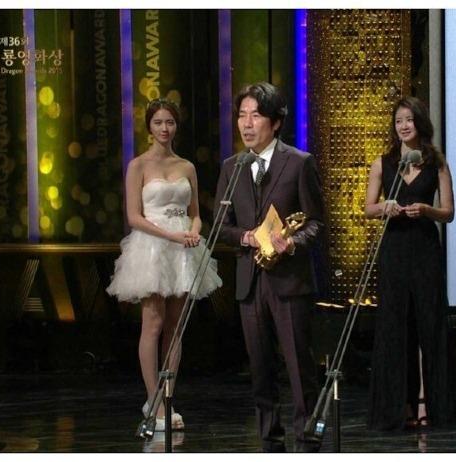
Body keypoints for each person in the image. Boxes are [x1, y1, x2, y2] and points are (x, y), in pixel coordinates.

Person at [214, 82, 324, 452]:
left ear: (275, 122)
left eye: (256, 116)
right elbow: (221, 226)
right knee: (260, 369)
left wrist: (293, 243)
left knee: (298, 366)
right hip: (250, 280)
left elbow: (316, 222)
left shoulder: (299, 162)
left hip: (289, 281)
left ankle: (307, 439)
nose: (246, 124)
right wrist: (244, 237)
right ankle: (269, 442)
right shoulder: (232, 167)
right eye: (242, 115)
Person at [107, 98, 222, 433]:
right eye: (158, 122)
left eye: (169, 122)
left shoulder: (187, 166)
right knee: (153, 324)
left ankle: (168, 399)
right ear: (149, 126)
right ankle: (153, 400)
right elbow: (134, 217)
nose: (164, 128)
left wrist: (194, 231)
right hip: (153, 248)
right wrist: (171, 235)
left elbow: (196, 213)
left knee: (175, 326)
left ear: (176, 126)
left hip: (184, 248)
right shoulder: (138, 166)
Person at [365, 96, 456, 430]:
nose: (404, 126)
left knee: (429, 325)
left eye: (409, 120)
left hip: (424, 248)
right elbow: (368, 208)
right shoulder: (383, 163)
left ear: (420, 122)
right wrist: (385, 207)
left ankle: (430, 403)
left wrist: (427, 210)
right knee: (394, 326)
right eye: (398, 121)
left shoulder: (437, 161)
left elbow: (449, 212)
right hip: (394, 249)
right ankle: (397, 406)